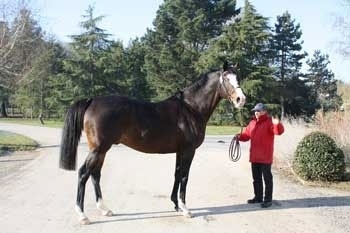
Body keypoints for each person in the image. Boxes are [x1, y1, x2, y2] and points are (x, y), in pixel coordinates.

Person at [237, 103, 284, 208]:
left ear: (264, 111)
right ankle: (258, 197)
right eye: (255, 111)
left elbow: (278, 132)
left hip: (265, 157)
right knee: (256, 179)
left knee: (267, 179)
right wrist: (238, 137)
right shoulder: (252, 122)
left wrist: (277, 124)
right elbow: (246, 135)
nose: (256, 113)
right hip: (254, 156)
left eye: (258, 111)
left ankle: (268, 200)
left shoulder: (269, 122)